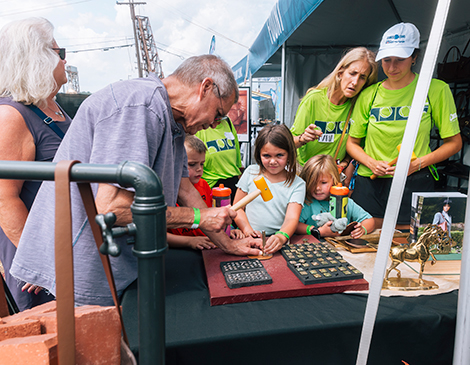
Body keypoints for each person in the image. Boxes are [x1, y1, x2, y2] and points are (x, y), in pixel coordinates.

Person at [10, 54, 262, 306]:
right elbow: (111, 209)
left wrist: (226, 243)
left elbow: (186, 189)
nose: (214, 124)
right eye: (218, 114)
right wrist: (197, 218)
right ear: (205, 87)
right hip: (86, 263)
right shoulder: (140, 108)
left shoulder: (173, 121)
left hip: (115, 264)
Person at [346, 23, 462, 229]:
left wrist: (418, 164)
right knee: (359, 243)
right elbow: (352, 143)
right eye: (387, 60)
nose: (391, 67)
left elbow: (454, 143)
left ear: (414, 57)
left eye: (400, 60)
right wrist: (371, 162)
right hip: (370, 181)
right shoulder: (368, 94)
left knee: (408, 243)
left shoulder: (435, 89)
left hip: (414, 179)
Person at [0, 17, 71, 311]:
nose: (66, 60)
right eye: (60, 52)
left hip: (63, 252)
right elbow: (4, 199)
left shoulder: (54, 107)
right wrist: (40, 262)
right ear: (38, 59)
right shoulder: (12, 116)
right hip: (41, 266)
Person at [290, 47, 378, 174]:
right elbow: (289, 143)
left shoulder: (358, 105)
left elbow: (356, 145)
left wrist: (346, 163)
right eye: (352, 73)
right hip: (307, 173)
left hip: (334, 175)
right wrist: (303, 138)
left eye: (362, 77)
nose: (355, 82)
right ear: (340, 72)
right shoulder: (314, 99)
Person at [233, 124, 306, 254]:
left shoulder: (298, 184)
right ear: (259, 154)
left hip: (279, 241)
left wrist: (281, 236)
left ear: (289, 154)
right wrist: (247, 230)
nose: (273, 161)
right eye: (266, 156)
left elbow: (291, 218)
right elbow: (238, 208)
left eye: (279, 155)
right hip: (250, 238)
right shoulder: (251, 172)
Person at [167, 135, 243, 249]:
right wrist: (189, 241)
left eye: (202, 164)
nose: (199, 169)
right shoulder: (168, 192)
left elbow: (210, 220)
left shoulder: (204, 185)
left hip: (207, 245)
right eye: (192, 164)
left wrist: (226, 233)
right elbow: (160, 235)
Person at [296, 155, 375, 239]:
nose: (317, 188)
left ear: (334, 180)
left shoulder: (345, 201)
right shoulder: (306, 203)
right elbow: (294, 225)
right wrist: (316, 231)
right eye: (312, 183)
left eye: (323, 182)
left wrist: (362, 229)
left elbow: (369, 220)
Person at [196, 116, 242, 203]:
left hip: (232, 184)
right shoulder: (199, 127)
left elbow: (237, 161)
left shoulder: (227, 122)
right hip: (210, 187)